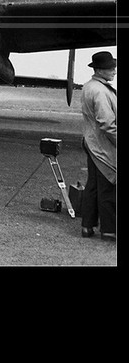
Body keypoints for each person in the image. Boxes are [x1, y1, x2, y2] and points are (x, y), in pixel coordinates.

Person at [79, 51, 117, 241]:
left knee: (93, 186)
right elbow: (108, 124)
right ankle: (109, 230)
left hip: (91, 141)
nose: (114, 71)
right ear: (100, 70)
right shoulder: (100, 91)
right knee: (108, 186)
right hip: (102, 146)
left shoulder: (90, 86)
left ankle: (87, 226)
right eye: (111, 68)